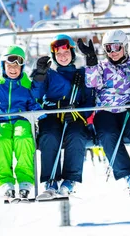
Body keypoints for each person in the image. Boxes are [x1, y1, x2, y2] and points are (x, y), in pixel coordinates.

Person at [78, 30, 130, 192]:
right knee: (107, 134)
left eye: (116, 47)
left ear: (125, 47)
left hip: (129, 109)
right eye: (108, 48)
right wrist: (91, 60)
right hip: (105, 111)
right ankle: (127, 174)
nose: (113, 52)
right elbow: (92, 82)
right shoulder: (101, 67)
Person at [31, 35, 95, 199]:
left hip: (74, 115)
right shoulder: (49, 75)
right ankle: (50, 181)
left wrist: (82, 114)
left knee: (76, 134)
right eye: (58, 54)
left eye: (66, 52)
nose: (63, 56)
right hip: (52, 114)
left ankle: (69, 180)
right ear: (54, 57)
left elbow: (89, 98)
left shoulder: (81, 74)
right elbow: (36, 95)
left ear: (72, 54)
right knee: (49, 135)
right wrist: (39, 75)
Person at [0, 45, 42, 200]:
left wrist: (37, 111)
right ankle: (6, 181)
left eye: (16, 66)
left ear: (22, 67)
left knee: (23, 138)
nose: (13, 69)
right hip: (2, 121)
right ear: (3, 66)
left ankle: (25, 181)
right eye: (9, 66)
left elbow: (34, 100)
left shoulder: (27, 85)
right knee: (0, 141)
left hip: (22, 120)